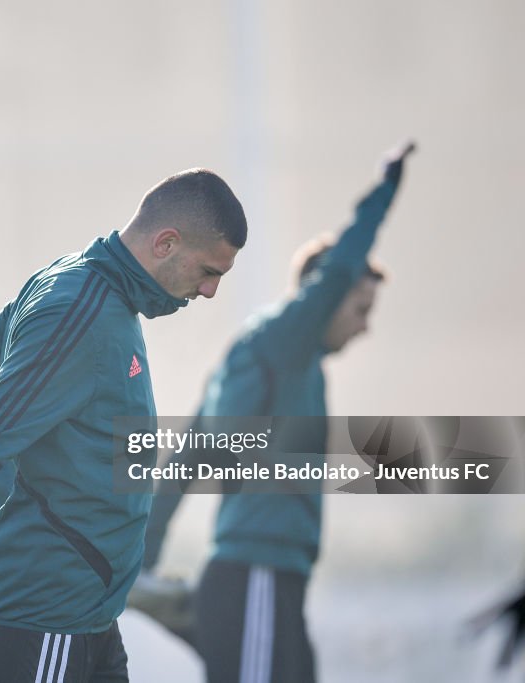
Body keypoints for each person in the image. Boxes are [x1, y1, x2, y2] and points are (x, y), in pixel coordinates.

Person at [0, 169, 248, 680]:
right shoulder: (79, 311)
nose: (210, 291)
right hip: (46, 621)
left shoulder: (91, 292)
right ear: (166, 243)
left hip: (88, 620)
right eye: (210, 271)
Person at [133, 142, 414, 683]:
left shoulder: (280, 364)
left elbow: (186, 460)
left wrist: (141, 563)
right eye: (360, 307)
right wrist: (385, 190)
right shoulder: (285, 340)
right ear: (323, 299)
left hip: (270, 581)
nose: (365, 326)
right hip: (253, 576)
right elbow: (338, 272)